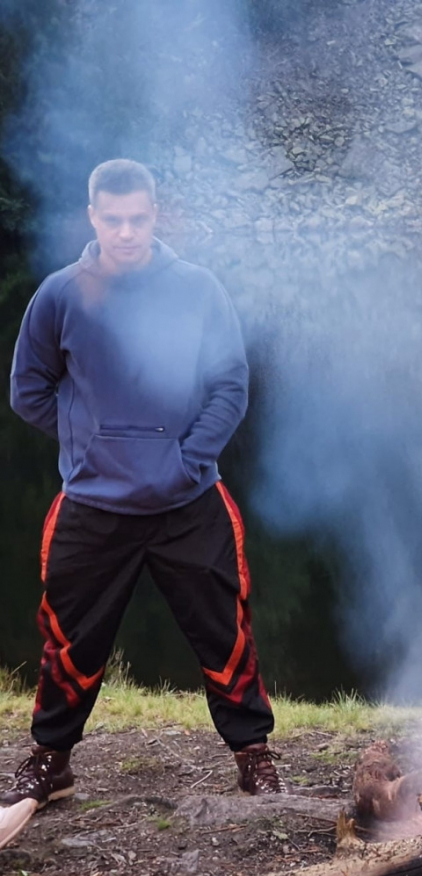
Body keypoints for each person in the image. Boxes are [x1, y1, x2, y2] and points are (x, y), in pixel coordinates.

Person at [3, 158, 284, 807]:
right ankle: (51, 761)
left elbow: (230, 385)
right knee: (68, 636)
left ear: (154, 216)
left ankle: (254, 756)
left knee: (225, 631)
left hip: (188, 500)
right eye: (113, 220)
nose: (125, 232)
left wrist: (188, 458)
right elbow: (28, 391)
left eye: (137, 219)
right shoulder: (61, 294)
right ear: (94, 217)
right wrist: (90, 443)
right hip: (92, 503)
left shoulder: (197, 289)